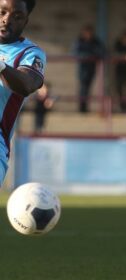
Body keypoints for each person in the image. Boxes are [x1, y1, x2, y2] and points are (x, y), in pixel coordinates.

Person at [0, 0, 46, 183]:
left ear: (26, 21)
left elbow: (26, 85)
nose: (6, 20)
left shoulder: (30, 53)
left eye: (16, 16)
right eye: (2, 12)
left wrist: (2, 66)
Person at [73, 24, 104, 113]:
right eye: (86, 33)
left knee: (88, 88)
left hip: (91, 68)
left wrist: (91, 55)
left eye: (89, 33)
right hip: (82, 69)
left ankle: (85, 107)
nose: (87, 34)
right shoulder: (79, 41)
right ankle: (82, 108)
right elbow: (75, 53)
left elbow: (101, 52)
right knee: (83, 88)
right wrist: (86, 56)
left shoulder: (96, 42)